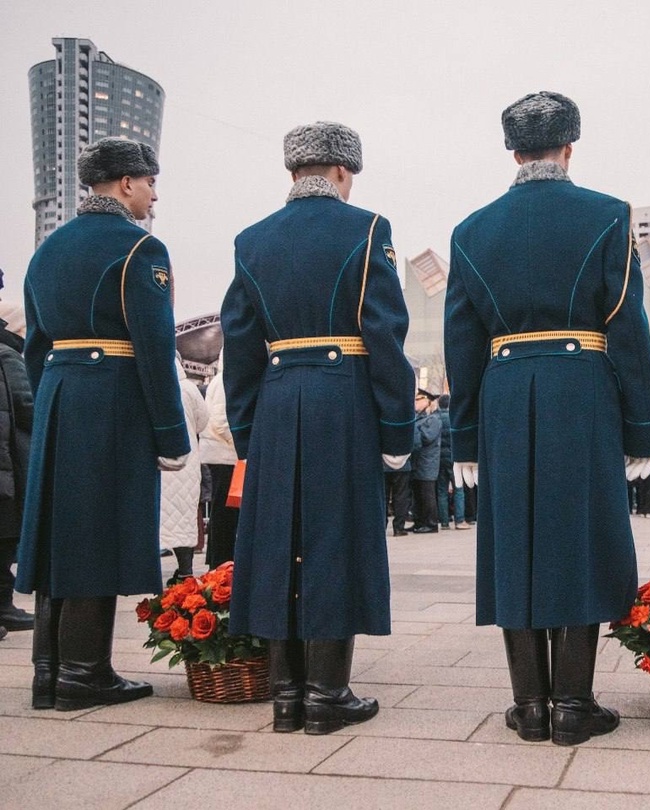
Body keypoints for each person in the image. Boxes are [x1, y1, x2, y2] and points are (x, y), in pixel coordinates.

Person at [445, 91, 650, 746]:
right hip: (582, 390)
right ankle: (572, 702)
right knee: (580, 538)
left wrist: (465, 435)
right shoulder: (606, 215)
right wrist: (642, 426)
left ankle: (529, 705)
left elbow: (461, 341)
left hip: (504, 391)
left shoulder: (472, 230)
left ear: (513, 151)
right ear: (570, 146)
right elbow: (628, 328)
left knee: (514, 541)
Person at [221, 121, 415, 735]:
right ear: (340, 171)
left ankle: (285, 697)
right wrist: (396, 429)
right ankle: (329, 694)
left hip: (277, 403)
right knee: (336, 536)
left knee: (278, 539)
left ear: (292, 172)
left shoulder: (251, 240)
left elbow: (240, 345)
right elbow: (384, 335)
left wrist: (247, 431)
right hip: (344, 402)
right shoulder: (366, 230)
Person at [16, 138, 190, 711]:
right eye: (149, 183)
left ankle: (50, 672)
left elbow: (36, 347)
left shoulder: (46, 251)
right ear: (124, 184)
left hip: (61, 397)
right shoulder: (140, 248)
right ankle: (85, 674)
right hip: (112, 397)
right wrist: (171, 435)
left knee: (60, 534)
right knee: (96, 532)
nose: (154, 195)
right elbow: (154, 345)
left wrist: (51, 408)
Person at [159, 356, 209, 583]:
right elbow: (203, 421)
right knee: (184, 516)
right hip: (185, 462)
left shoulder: (152, 385)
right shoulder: (189, 388)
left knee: (155, 517)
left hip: (157, 461)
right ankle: (186, 570)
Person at [0, 299, 33, 637]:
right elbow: (27, 406)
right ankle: (3, 604)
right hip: (10, 464)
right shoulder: (9, 356)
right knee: (5, 538)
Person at [199, 351, 240, 567]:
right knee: (225, 513)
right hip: (225, 456)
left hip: (218, 454)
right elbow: (222, 421)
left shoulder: (218, 381)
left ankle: (217, 558)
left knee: (220, 511)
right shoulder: (226, 382)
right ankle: (221, 560)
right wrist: (241, 445)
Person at [410, 388, 442, 534]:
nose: (415, 403)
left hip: (428, 463)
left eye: (418, 399)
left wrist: (415, 431)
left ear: (427, 401)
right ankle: (419, 521)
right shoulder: (419, 417)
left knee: (427, 494)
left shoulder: (434, 419)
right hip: (418, 462)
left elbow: (427, 438)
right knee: (417, 494)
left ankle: (431, 523)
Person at [435, 394, 467, 529]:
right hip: (454, 458)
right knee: (458, 489)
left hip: (440, 458)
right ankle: (459, 520)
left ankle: (444, 522)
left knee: (442, 490)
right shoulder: (454, 418)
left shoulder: (435, 418)